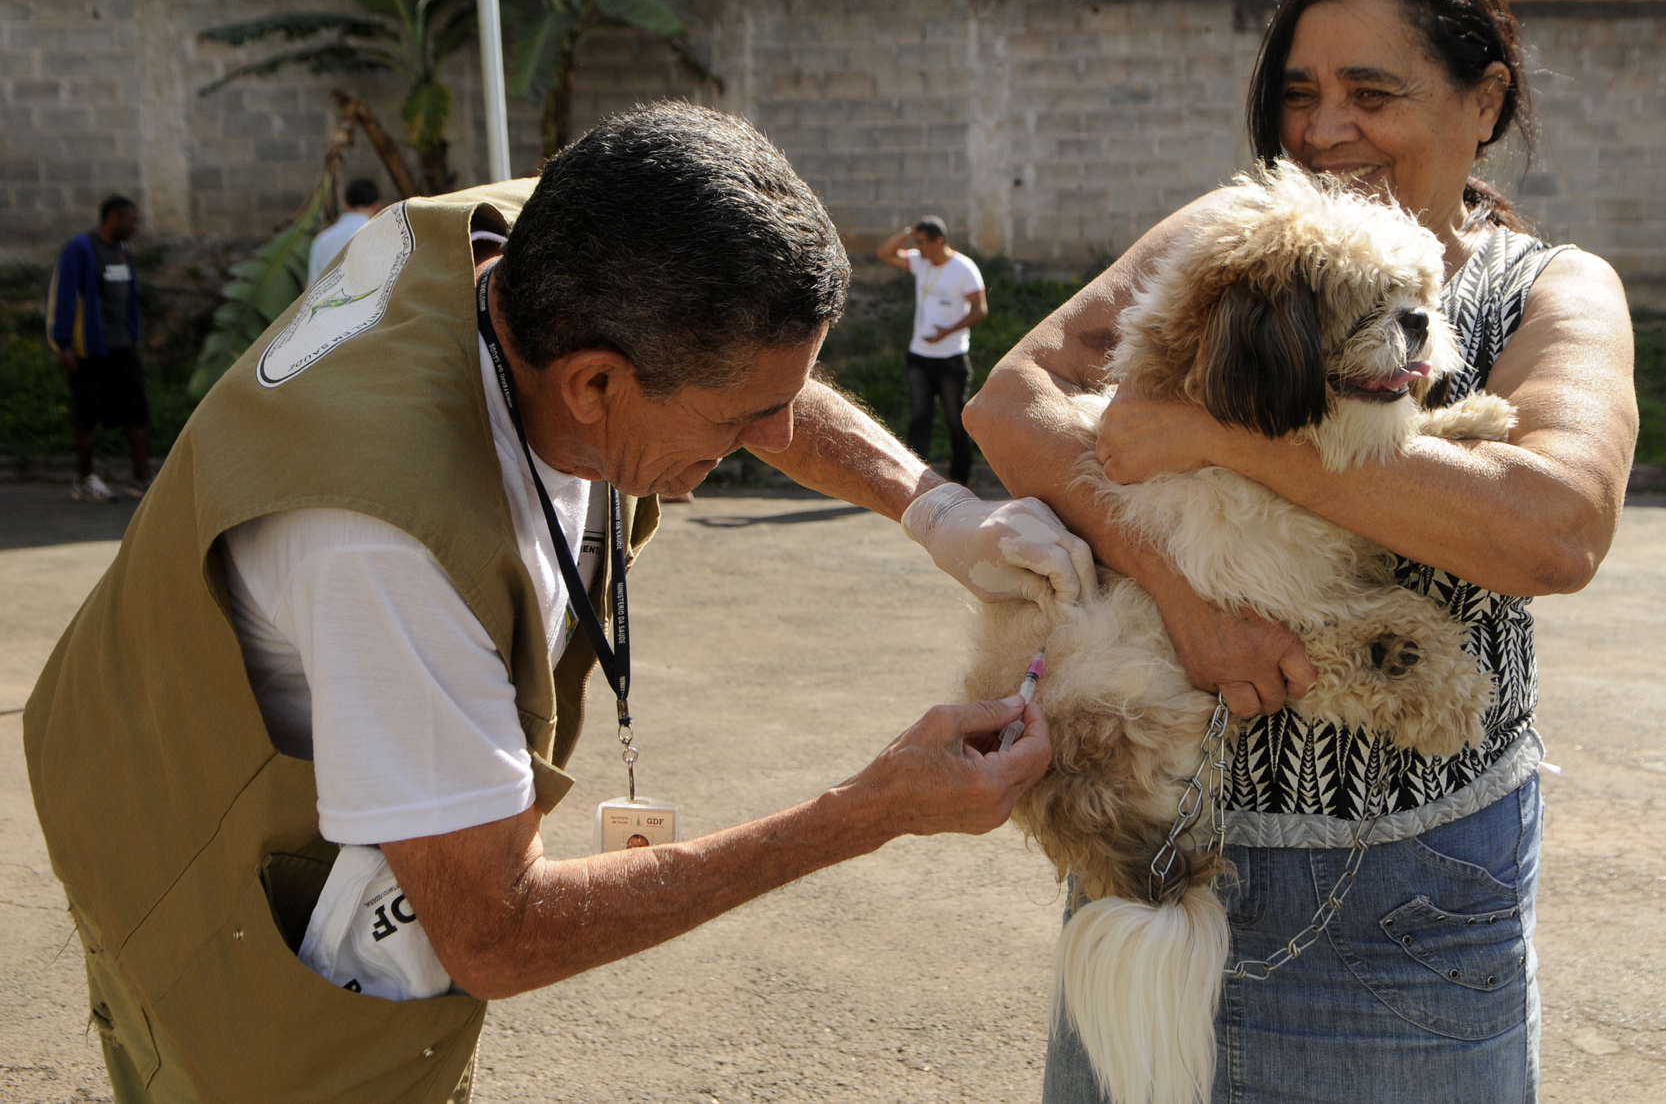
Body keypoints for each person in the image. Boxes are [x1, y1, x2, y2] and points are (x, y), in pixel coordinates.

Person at [25, 102, 1097, 1103]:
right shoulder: (388, 544)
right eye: (735, 428)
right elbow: (493, 929)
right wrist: (869, 810)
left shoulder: (563, 240)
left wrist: (938, 507)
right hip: (178, 830)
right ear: (594, 385)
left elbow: (754, 375)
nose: (761, 445)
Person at [966, 0, 1637, 1104]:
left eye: (1372, 94)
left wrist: (1220, 432)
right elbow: (1011, 405)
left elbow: (1553, 528)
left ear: (1484, 101)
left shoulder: (1547, 288)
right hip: (1153, 863)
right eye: (1299, 95)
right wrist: (1182, 594)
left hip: (1415, 924)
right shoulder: (1225, 237)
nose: (1326, 130)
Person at [47, 194, 151, 503]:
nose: (136, 227)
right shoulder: (80, 249)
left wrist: (133, 333)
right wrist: (62, 344)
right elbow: (63, 297)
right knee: (86, 415)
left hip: (122, 346)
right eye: (131, 220)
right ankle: (85, 480)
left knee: (136, 411)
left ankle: (141, 479)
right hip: (89, 349)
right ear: (113, 218)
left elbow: (130, 296)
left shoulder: (123, 250)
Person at [879, 215, 987, 486]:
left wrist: (946, 332)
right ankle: (916, 478)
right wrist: (907, 233)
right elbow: (884, 253)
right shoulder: (920, 262)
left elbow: (980, 309)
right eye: (915, 242)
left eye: (923, 242)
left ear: (939, 241)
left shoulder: (964, 268)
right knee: (919, 417)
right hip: (919, 356)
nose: (918, 248)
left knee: (955, 419)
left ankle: (961, 477)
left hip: (951, 357)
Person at [308, 177, 381, 287]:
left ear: (344, 203)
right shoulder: (381, 237)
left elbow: (312, 288)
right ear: (377, 205)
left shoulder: (322, 240)